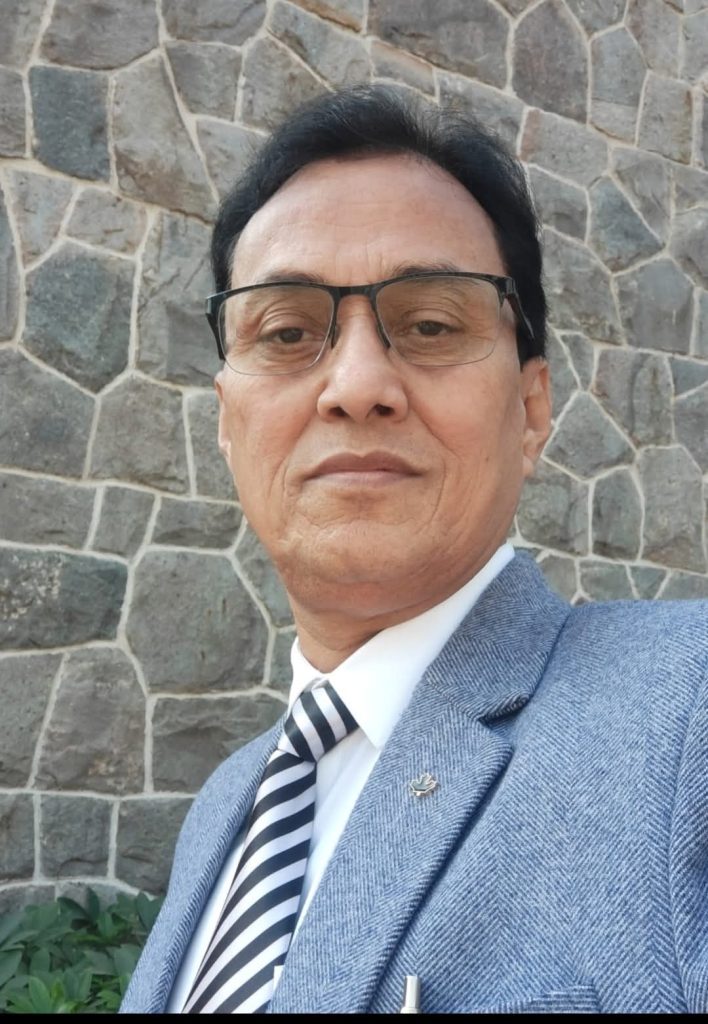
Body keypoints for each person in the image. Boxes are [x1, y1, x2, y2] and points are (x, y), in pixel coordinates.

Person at [120, 85, 708, 1015]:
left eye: (431, 325)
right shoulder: (227, 808)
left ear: (531, 407)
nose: (357, 384)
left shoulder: (686, 716)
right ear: (227, 423)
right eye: (287, 332)